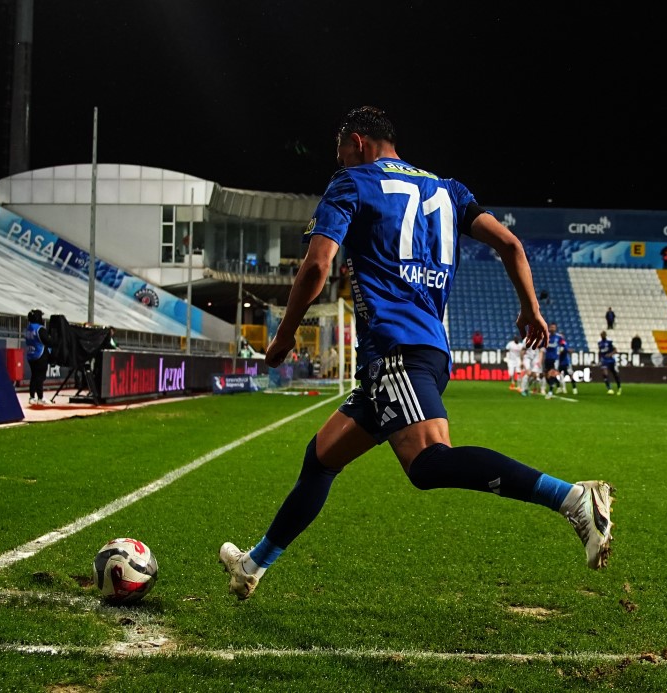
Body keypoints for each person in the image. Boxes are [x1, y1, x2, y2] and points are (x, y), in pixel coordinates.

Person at [218, 107, 614, 601]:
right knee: (320, 458)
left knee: (427, 463)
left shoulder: (352, 183)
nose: (338, 163)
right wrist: (531, 309)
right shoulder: (449, 189)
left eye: (340, 153)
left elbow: (318, 265)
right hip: (421, 348)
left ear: (358, 143)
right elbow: (511, 244)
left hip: (395, 349)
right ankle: (253, 565)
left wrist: (283, 336)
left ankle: (574, 499)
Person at [25, 309, 52, 405]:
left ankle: (32, 397)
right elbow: (48, 341)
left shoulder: (29, 328)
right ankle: (40, 398)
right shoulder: (39, 329)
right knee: (40, 377)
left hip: (30, 355)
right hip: (40, 355)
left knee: (34, 376)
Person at [543, 322, 565, 399]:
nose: (552, 328)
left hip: (554, 359)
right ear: (549, 328)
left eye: (553, 327)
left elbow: (563, 344)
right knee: (546, 375)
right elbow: (541, 345)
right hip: (547, 358)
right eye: (551, 327)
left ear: (555, 328)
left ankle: (550, 392)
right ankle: (555, 384)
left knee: (552, 374)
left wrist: (560, 350)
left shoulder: (559, 337)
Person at [597, 330, 622, 395]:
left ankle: (619, 387)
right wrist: (600, 359)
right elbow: (600, 352)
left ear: (605, 335)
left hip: (611, 360)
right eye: (601, 335)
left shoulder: (609, 342)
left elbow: (616, 350)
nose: (602, 336)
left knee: (614, 374)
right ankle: (610, 389)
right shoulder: (599, 343)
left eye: (603, 335)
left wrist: (610, 354)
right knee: (604, 373)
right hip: (604, 361)